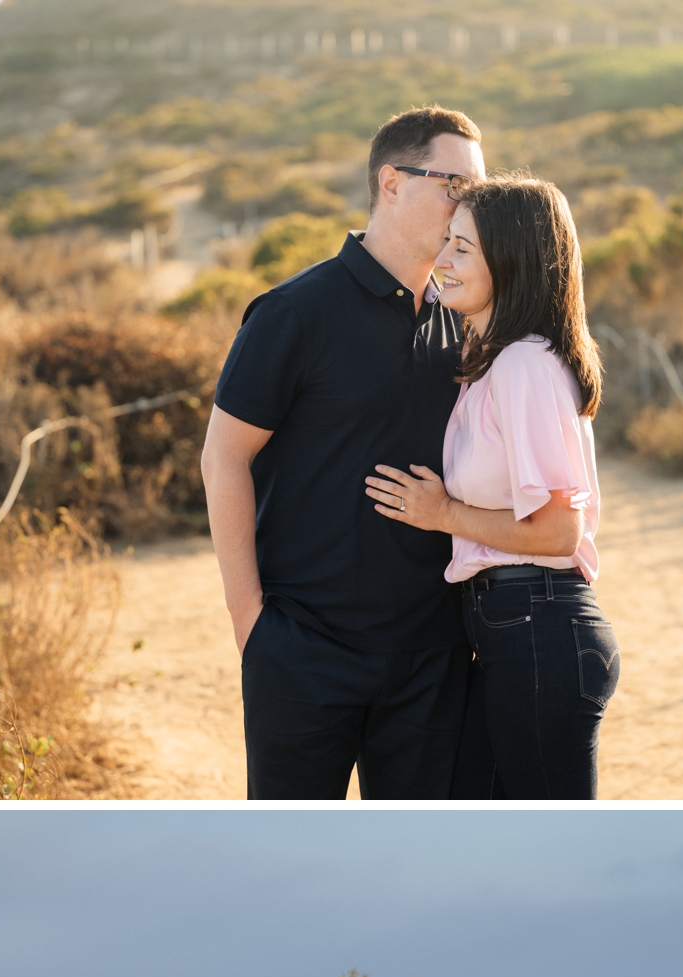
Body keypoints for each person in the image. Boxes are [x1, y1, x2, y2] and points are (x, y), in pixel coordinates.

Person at [201, 106, 486, 800]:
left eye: (476, 191)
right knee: (292, 870)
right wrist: (252, 623)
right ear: (391, 182)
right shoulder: (294, 313)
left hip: (432, 658)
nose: (467, 205)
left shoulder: (465, 319)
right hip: (304, 653)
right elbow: (223, 458)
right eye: (454, 183)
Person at [365, 176, 621, 799]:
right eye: (447, 242)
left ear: (511, 262)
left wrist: (442, 512)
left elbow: (561, 533)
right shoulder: (492, 362)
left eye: (463, 249)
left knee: (544, 845)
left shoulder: (525, 365)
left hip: (538, 624)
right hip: (511, 625)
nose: (443, 261)